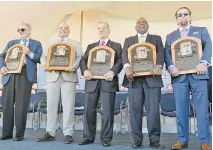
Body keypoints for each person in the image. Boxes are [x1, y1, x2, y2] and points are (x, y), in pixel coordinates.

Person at [164, 7, 212, 150]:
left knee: (202, 109)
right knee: (181, 109)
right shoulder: (170, 36)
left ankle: (204, 141)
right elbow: (167, 53)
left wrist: (204, 62)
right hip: (179, 77)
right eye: (179, 15)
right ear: (176, 19)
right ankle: (182, 140)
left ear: (190, 17)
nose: (183, 17)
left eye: (185, 14)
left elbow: (208, 45)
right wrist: (171, 66)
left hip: (199, 75)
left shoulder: (201, 30)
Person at [122, 17, 165, 149]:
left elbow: (161, 53)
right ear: (135, 26)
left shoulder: (156, 38)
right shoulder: (129, 40)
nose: (141, 24)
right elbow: (124, 55)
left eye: (144, 22)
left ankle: (154, 139)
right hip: (134, 80)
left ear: (148, 26)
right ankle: (137, 139)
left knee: (153, 111)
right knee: (135, 111)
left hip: (152, 79)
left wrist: (159, 66)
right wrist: (126, 67)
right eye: (139, 22)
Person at [78, 21, 122, 147]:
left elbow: (120, 60)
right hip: (92, 82)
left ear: (109, 30)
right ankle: (88, 137)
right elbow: (83, 60)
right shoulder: (91, 46)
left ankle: (106, 138)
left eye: (103, 28)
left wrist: (113, 71)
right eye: (99, 28)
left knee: (107, 111)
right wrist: (85, 70)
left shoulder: (116, 45)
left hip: (108, 82)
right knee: (88, 110)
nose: (101, 30)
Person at [36, 22, 82, 144]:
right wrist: (45, 64)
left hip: (69, 78)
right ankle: (50, 132)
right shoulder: (48, 43)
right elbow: (43, 57)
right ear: (57, 30)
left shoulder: (75, 43)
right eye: (61, 28)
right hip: (52, 78)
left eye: (65, 28)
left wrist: (75, 66)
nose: (63, 30)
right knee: (51, 106)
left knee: (68, 107)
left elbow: (79, 57)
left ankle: (68, 133)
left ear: (69, 30)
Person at [0, 23, 43, 141]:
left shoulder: (36, 44)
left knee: (21, 106)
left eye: (22, 29)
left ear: (29, 30)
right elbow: (1, 56)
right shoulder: (11, 43)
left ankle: (19, 134)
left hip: (25, 75)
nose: (20, 31)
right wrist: (1, 67)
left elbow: (40, 58)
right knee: (7, 105)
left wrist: (29, 53)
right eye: (18, 29)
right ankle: (6, 133)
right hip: (9, 74)